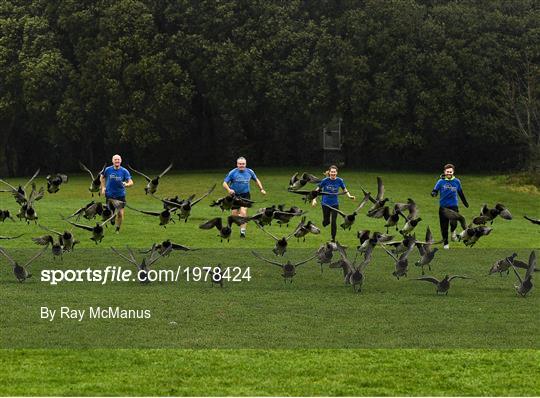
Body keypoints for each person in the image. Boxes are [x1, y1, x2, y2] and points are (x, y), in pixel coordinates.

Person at [223, 157, 266, 238]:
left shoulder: (250, 172)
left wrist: (261, 189)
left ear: (245, 164)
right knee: (234, 216)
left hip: (245, 195)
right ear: (237, 164)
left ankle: (242, 233)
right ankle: (232, 225)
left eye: (243, 164)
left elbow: (256, 180)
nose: (241, 165)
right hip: (234, 196)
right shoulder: (232, 172)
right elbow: (224, 183)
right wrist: (229, 189)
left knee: (243, 213)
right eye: (240, 164)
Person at [311, 165, 355, 242]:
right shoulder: (325, 181)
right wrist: (314, 200)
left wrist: (349, 196)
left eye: (334, 172)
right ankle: (325, 221)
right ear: (329, 172)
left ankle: (333, 238)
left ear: (336, 173)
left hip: (335, 204)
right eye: (332, 172)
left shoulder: (340, 180)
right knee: (326, 221)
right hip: (325, 204)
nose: (333, 173)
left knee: (334, 221)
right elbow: (316, 190)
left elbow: (345, 189)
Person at [431, 163, 469, 249]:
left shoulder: (457, 181)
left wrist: (465, 203)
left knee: (454, 223)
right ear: (444, 172)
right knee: (444, 226)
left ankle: (453, 233)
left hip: (453, 207)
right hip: (443, 208)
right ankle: (446, 243)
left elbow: (460, 193)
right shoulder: (440, 181)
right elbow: (434, 191)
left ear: (453, 172)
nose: (449, 173)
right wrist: (433, 193)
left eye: (450, 172)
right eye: (447, 171)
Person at [100, 154, 133, 233]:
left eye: (118, 159)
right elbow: (102, 177)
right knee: (110, 213)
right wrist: (103, 187)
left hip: (120, 196)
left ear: (121, 161)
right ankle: (112, 218)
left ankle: (117, 229)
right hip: (109, 196)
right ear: (112, 161)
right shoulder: (108, 170)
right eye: (115, 159)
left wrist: (127, 184)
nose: (117, 161)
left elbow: (131, 182)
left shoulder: (124, 171)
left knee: (120, 214)